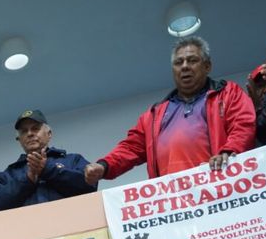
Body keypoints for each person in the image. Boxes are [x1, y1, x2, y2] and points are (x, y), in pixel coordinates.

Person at [84, 36, 256, 185]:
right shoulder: (153, 116)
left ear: (207, 66)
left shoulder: (228, 93)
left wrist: (228, 152)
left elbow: (243, 125)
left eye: (192, 60)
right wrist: (104, 166)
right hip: (172, 202)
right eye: (178, 62)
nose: (185, 66)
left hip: (221, 189)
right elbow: (131, 148)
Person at [0, 109, 96, 212]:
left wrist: (48, 169)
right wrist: (27, 179)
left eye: (35, 128)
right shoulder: (9, 174)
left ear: (49, 134)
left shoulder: (72, 160)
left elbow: (90, 185)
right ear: (19, 140)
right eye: (24, 131)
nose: (30, 134)